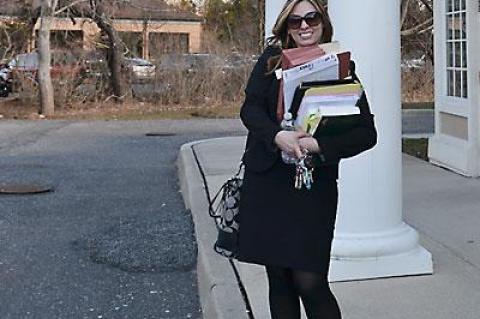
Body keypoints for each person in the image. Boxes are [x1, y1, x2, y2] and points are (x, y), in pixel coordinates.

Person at [237, 0, 378, 318]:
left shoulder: (341, 68)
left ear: (323, 22)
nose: (304, 26)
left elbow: (367, 134)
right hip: (269, 181)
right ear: (286, 26)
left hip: (313, 187)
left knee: (310, 281)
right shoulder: (271, 62)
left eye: (311, 18)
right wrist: (278, 136)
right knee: (280, 279)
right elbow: (250, 109)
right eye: (295, 21)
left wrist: (317, 144)